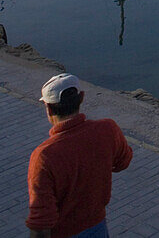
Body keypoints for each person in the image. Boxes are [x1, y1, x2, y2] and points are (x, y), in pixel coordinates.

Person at [26, 73, 133, 238]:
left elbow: (41, 221)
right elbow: (123, 162)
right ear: (81, 98)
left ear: (48, 108)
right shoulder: (107, 129)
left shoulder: (43, 156)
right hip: (97, 227)